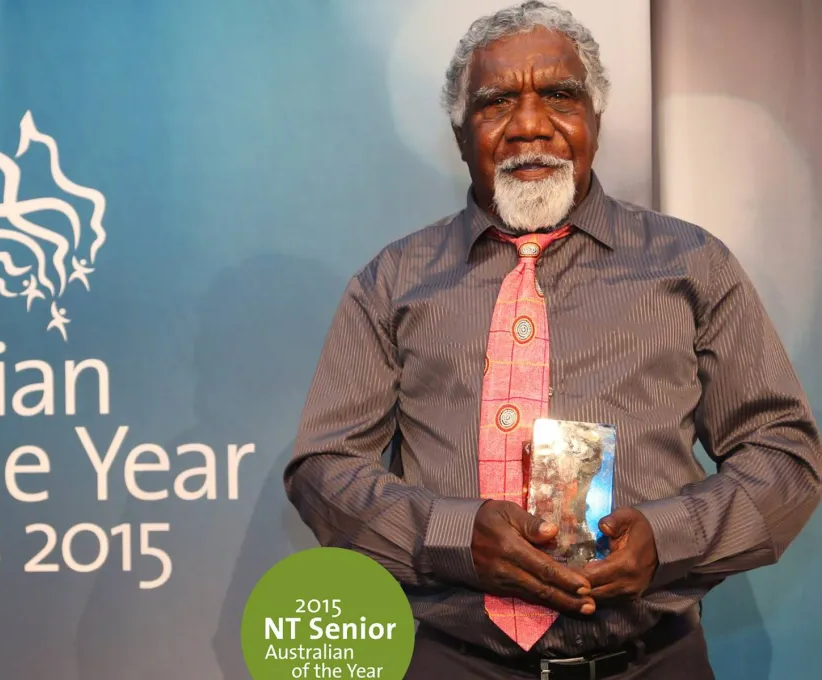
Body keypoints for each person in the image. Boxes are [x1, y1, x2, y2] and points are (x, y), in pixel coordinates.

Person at [282, 2, 822, 678]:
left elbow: (784, 455)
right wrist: (456, 537)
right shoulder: (392, 281)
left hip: (653, 661)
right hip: (454, 660)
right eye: (496, 102)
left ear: (595, 118)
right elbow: (324, 469)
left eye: (560, 96)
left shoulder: (692, 264)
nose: (530, 125)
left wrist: (667, 537)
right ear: (459, 131)